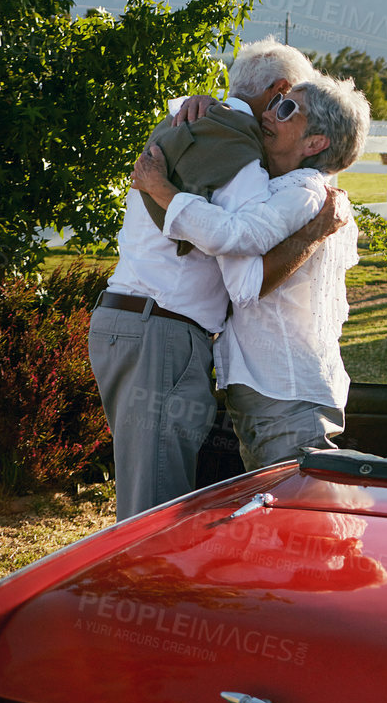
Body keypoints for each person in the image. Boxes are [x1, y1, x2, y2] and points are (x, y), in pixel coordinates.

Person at [89, 39, 340, 519]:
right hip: (163, 331)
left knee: (142, 495)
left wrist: (191, 103)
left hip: (121, 321)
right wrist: (312, 231)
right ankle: (146, 595)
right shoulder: (240, 156)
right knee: (154, 514)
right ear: (281, 91)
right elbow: (240, 256)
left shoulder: (189, 123)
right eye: (290, 104)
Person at [131, 74, 371, 470]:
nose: (273, 112)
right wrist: (208, 104)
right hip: (269, 393)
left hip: (286, 395)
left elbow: (238, 253)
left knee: (296, 524)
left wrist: (162, 190)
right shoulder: (274, 187)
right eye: (276, 101)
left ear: (315, 143)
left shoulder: (304, 193)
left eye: (288, 108)